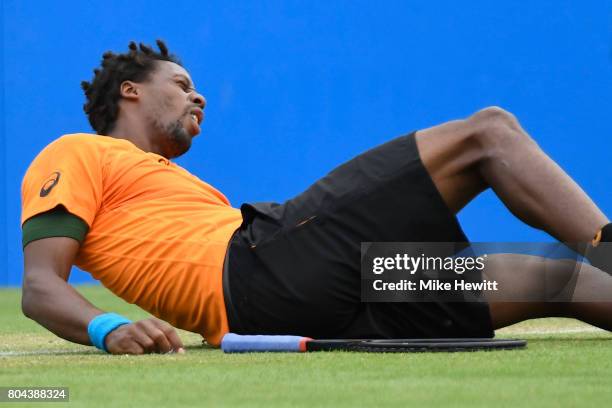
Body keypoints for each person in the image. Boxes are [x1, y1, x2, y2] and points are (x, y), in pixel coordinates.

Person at [21, 40, 612, 355]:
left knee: (557, 280)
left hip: (312, 300)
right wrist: (106, 328)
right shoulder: (76, 152)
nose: (198, 99)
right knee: (489, 132)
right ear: (129, 90)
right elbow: (41, 286)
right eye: (181, 86)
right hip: (268, 269)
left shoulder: (182, 188)